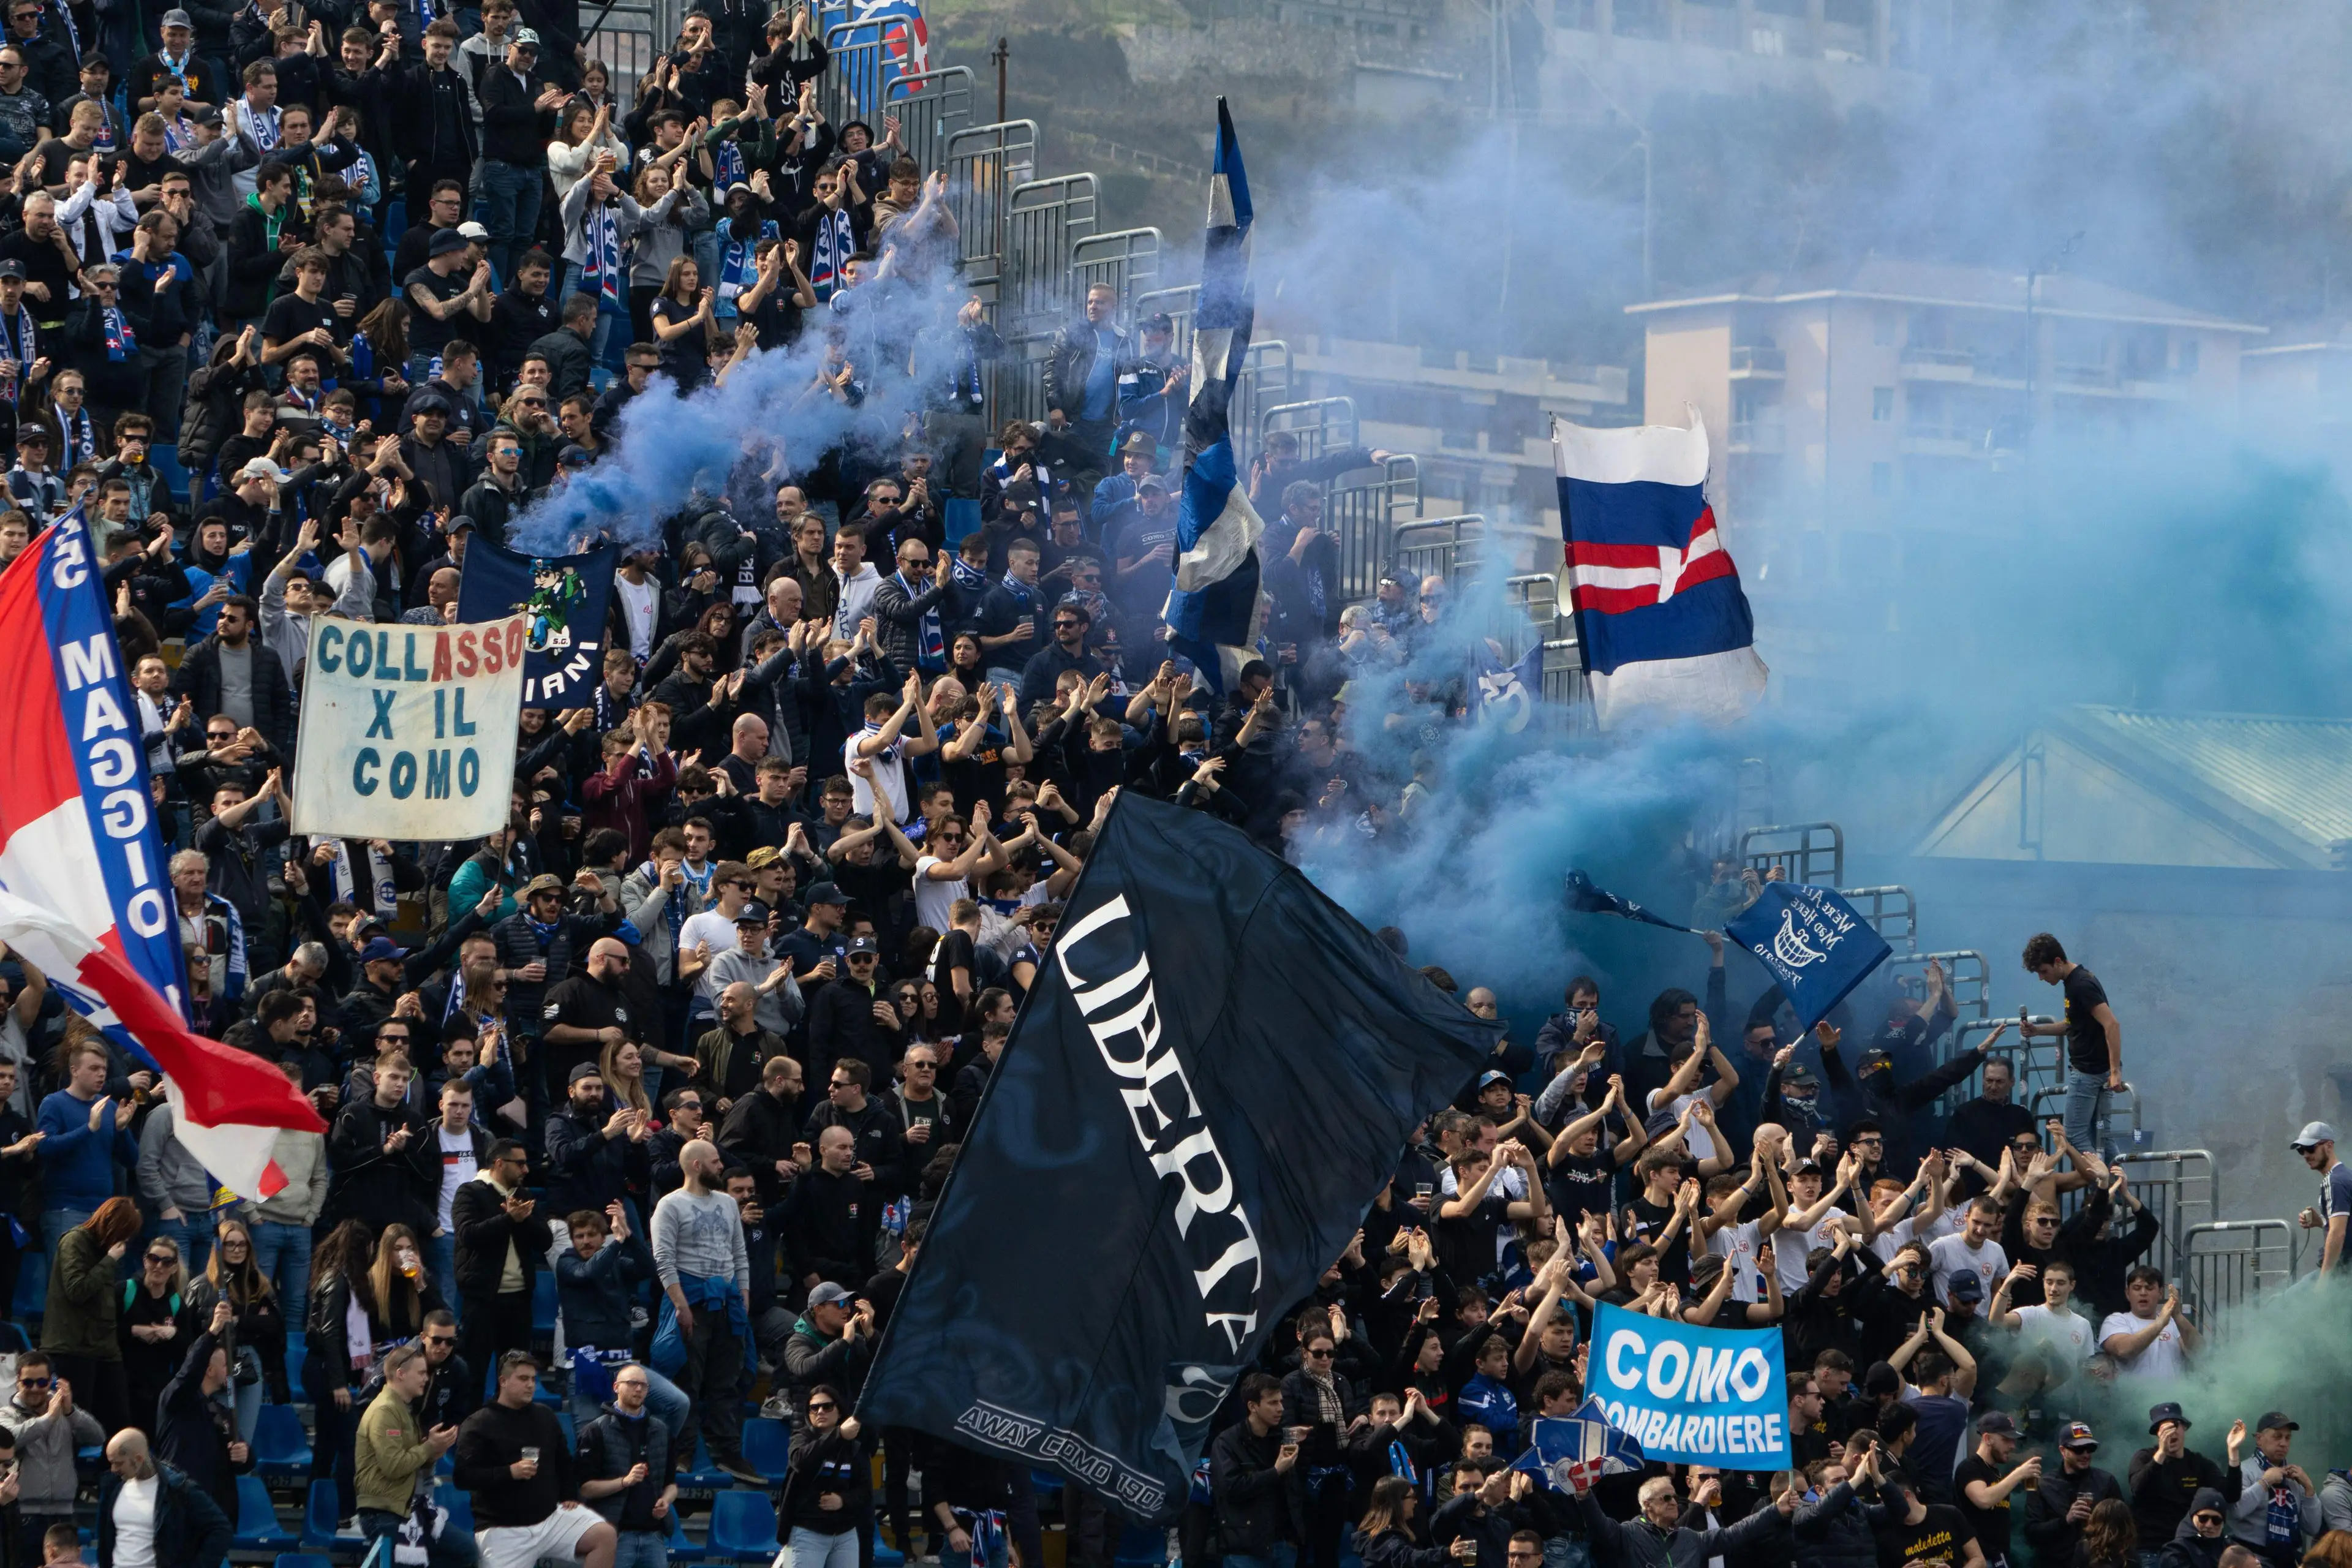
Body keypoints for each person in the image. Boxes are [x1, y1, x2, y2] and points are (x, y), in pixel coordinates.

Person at [649, 1137, 756, 1485]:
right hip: (690, 1299)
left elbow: (739, 1254)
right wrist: (681, 1306)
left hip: (727, 1302)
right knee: (687, 1381)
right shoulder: (670, 1205)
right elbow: (664, 1260)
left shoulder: (727, 1203)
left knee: (727, 1382)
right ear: (697, 1165)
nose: (721, 1166)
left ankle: (729, 1451)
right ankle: (682, 1451)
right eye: (715, 1161)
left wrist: (743, 1297)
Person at [452, 1351, 616, 1568]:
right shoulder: (479, 1423)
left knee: (604, 1535)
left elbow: (563, 1461)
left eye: (533, 1379)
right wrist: (509, 1472)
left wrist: (569, 1494)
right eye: (523, 1379)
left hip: (550, 1519)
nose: (530, 1385)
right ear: (503, 1381)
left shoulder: (545, 1416)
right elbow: (462, 1477)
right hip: (503, 1529)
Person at [450, 1139, 556, 1385]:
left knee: (516, 1378)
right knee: (473, 1374)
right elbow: (468, 1235)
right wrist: (508, 1219)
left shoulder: (524, 1195)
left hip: (519, 1302)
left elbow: (545, 1241)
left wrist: (523, 1220)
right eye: (520, 1164)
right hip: (482, 1300)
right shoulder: (470, 1192)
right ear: (499, 1163)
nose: (526, 1170)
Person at [355, 1341, 469, 1568]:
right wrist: (428, 1448)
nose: (426, 1379)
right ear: (400, 1374)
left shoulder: (404, 1410)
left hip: (407, 1506)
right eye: (421, 1373)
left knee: (464, 1552)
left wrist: (434, 1453)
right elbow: (394, 1466)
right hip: (383, 1510)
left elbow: (409, 1459)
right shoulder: (385, 1410)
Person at [43, 1194, 138, 1438]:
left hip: (105, 1348)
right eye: (123, 1233)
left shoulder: (106, 1250)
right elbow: (77, 1289)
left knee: (121, 1423)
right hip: (72, 1347)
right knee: (73, 1424)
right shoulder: (74, 1241)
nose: (125, 1241)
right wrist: (109, 1261)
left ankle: (114, 1474)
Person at [2019, 933, 2121, 1159]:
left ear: (2058, 961)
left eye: (2043, 971)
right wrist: (2038, 1031)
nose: (2041, 978)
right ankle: (2117, 1190)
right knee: (2100, 1135)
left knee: (2074, 1134)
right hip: (2095, 1070)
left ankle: (2102, 1188)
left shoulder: (2080, 985)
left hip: (2088, 1071)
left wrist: (2115, 1072)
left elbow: (2112, 1024)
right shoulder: (2076, 981)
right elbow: (2075, 1025)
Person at [153, 1299, 252, 1521]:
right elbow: (188, 1374)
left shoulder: (220, 1411)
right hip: (180, 1509)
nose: (231, 1371)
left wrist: (245, 1455)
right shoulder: (176, 1400)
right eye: (226, 1366)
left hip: (212, 1515)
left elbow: (241, 1458)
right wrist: (212, 1333)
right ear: (208, 1370)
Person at [2, 1350, 104, 1564]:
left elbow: (98, 1437)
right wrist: (49, 1418)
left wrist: (71, 1413)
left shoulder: (63, 1409)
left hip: (64, 1513)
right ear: (17, 1382)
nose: (36, 1389)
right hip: (25, 1515)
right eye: (28, 1383)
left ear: (51, 1381)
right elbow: (12, 1439)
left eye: (42, 1382)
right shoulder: (6, 1414)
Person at [574, 1361, 676, 1568]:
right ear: (616, 1387)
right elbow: (585, 1489)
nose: (639, 1389)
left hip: (653, 1536)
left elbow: (671, 1484)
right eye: (632, 1383)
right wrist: (624, 1481)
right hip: (615, 1535)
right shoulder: (595, 1431)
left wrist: (666, 1501)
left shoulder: (661, 1431)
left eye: (643, 1385)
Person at [97, 1429, 232, 1568]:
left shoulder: (179, 1489)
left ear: (138, 1459)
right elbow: (105, 1545)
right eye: (112, 1463)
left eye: (119, 1463)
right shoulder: (113, 1488)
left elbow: (221, 1529)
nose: (113, 1469)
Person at [779, 1381, 873, 1568]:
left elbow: (865, 1492)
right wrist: (838, 1435)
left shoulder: (855, 1447)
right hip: (807, 1533)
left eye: (827, 1406)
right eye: (814, 1408)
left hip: (846, 1535)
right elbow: (800, 1462)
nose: (820, 1411)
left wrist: (843, 1500)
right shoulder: (801, 1437)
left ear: (839, 1411)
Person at [2229, 1414, 2318, 1567]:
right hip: (2251, 1559)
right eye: (2277, 1437)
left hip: (2288, 1559)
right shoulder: (2244, 1470)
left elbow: (2312, 1527)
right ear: (2259, 1439)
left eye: (2288, 1438)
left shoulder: (2293, 1477)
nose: (2284, 1443)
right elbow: (2236, 1511)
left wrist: (2309, 1488)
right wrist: (2265, 1482)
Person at [2099, 1268, 2196, 1379]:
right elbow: (2123, 1350)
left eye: (2149, 1288)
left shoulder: (2173, 1323)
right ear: (2128, 1293)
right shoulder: (2116, 1320)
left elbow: (2201, 1352)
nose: (2143, 1293)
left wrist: (2178, 1316)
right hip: (2133, 1396)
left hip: (2174, 1396)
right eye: (2137, 1288)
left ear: (2160, 1293)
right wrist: (2160, 1323)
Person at [2292, 1122, 2350, 1278]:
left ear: (2329, 1145)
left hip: (2341, 1274)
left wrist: (2324, 1283)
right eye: (2301, 1151)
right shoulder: (2343, 1177)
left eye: (2311, 1148)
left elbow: (2338, 1233)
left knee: (2284, 1300)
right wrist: (2321, 1222)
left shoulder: (2335, 1181)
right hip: (2344, 1272)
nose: (2306, 1155)